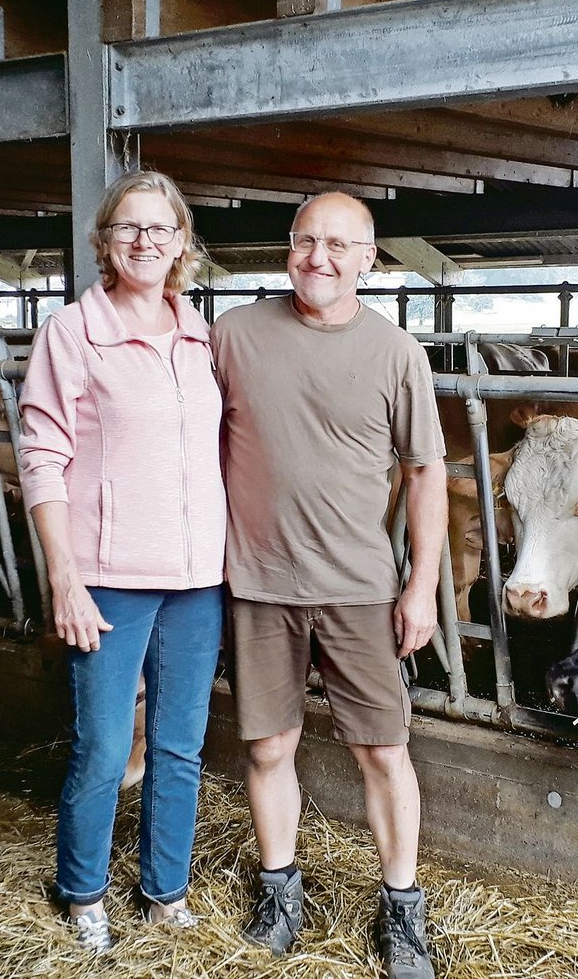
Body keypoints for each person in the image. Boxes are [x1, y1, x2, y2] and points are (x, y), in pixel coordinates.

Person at [212, 191, 448, 979]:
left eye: (340, 246)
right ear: (288, 246)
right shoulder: (233, 336)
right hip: (258, 580)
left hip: (358, 586)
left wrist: (421, 585)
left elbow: (424, 474)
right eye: (307, 240)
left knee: (383, 750)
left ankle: (402, 913)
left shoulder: (396, 354)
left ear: (370, 260)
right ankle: (280, 895)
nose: (320, 258)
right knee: (268, 743)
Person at [18, 170, 225, 953]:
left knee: (179, 744)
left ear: (182, 245)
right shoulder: (73, 332)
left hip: (198, 579)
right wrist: (63, 577)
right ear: (104, 241)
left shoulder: (200, 333)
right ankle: (82, 893)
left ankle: (166, 892)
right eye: (129, 228)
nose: (146, 242)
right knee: (106, 745)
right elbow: (42, 458)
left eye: (161, 229)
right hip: (107, 575)